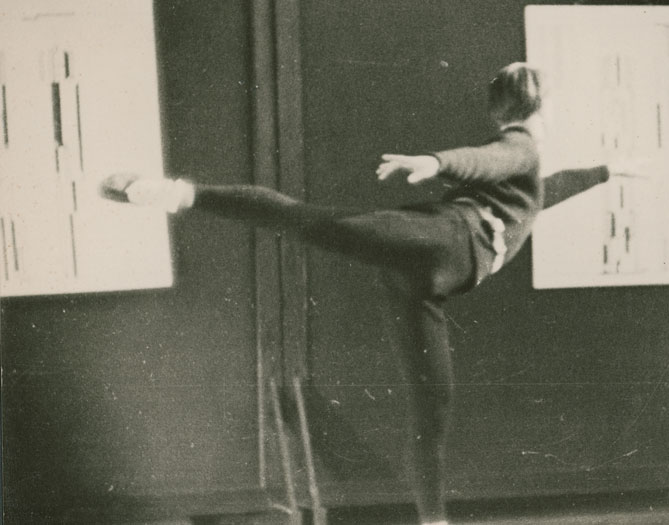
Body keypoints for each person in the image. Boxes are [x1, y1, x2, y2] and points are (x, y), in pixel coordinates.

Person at [100, 62, 641, 525]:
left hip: (425, 280)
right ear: (539, 111)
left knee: (432, 402)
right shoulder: (521, 145)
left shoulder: (531, 173)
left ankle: (433, 519)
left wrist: (605, 171)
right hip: (445, 243)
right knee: (308, 221)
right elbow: (490, 159)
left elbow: (549, 188)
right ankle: (177, 193)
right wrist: (436, 162)